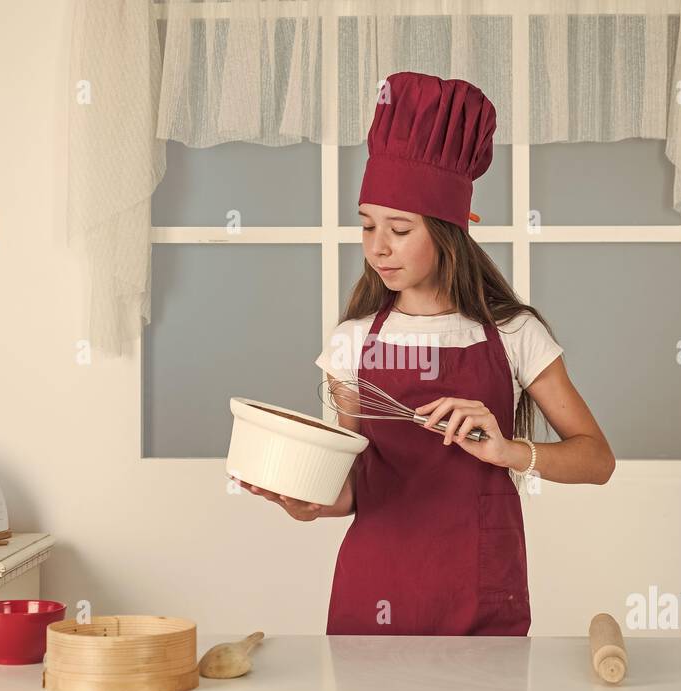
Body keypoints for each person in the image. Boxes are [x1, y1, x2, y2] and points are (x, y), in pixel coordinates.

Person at [241, 71, 614, 635]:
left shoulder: (514, 333)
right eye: (367, 226)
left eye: (399, 228)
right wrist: (310, 502)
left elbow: (597, 461)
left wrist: (508, 452)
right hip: (376, 583)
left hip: (481, 584)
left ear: (448, 231)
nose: (377, 248)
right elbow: (356, 486)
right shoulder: (351, 342)